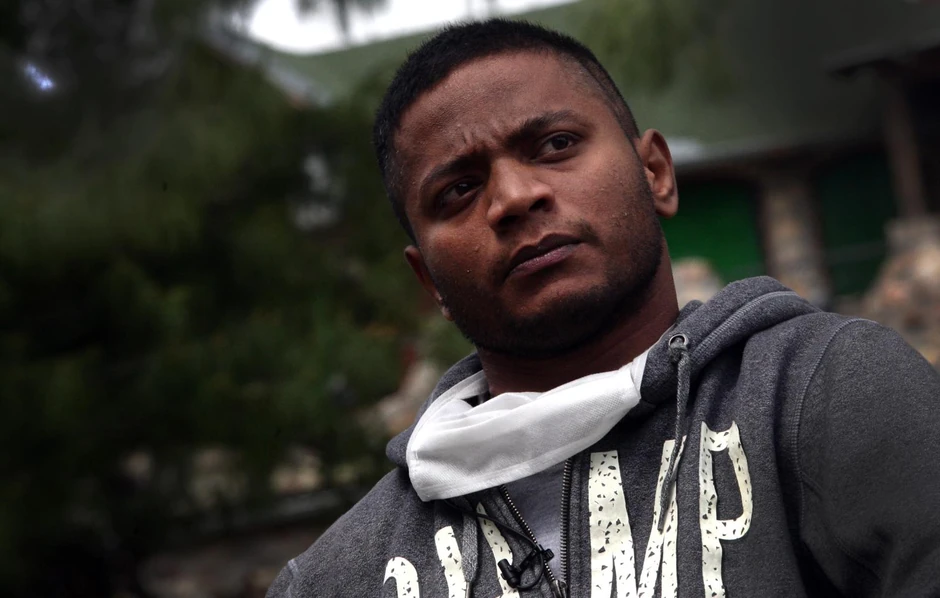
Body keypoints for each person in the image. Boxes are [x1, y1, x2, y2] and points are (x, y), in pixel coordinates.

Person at [267, 19, 940, 598]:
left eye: (555, 145)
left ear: (656, 173)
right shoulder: (335, 579)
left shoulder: (827, 394)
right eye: (459, 190)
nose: (514, 198)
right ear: (429, 282)